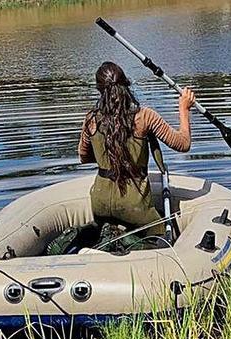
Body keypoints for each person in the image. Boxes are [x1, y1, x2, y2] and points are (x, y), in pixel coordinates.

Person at [68, 61, 196, 251]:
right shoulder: (145, 116)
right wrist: (184, 109)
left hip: (100, 204)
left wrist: (110, 155)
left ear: (99, 90)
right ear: (126, 83)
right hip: (135, 206)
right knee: (165, 236)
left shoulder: (91, 119)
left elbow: (84, 157)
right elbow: (183, 144)